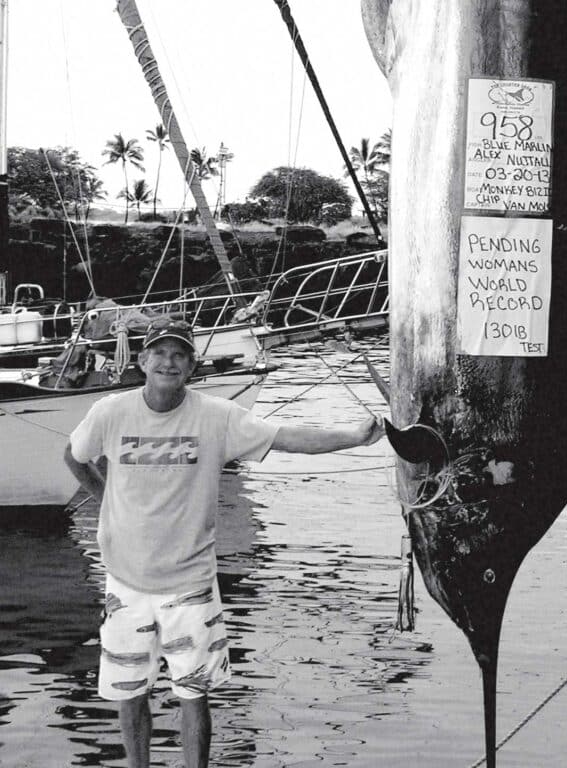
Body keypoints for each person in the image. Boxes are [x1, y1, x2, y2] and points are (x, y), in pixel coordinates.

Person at [64, 318, 386, 768]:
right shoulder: (110, 412)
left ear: (192, 366)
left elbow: (286, 438)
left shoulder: (216, 416)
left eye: (179, 355)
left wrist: (353, 437)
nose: (168, 362)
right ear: (141, 360)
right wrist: (105, 500)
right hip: (125, 584)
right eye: (159, 352)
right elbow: (74, 455)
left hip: (190, 585)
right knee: (129, 692)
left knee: (193, 695)